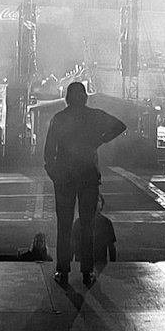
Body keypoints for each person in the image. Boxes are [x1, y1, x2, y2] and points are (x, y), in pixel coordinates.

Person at [44, 81, 126, 287]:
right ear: (85, 97)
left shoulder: (59, 118)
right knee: (88, 226)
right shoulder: (95, 116)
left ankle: (62, 270)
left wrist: (53, 171)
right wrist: (100, 140)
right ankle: (87, 271)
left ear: (67, 97)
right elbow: (120, 126)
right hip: (88, 175)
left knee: (64, 225)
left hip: (64, 177)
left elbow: (48, 151)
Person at [71, 193, 117, 269]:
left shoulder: (106, 223)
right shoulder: (78, 223)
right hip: (84, 262)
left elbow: (111, 245)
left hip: (98, 262)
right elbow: (73, 244)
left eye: (97, 200)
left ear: (102, 204)